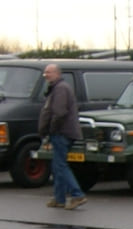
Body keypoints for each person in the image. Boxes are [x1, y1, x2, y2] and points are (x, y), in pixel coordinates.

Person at [37, 64, 86, 210]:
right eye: (45, 72)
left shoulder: (61, 89)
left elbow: (59, 113)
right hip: (60, 132)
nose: (46, 75)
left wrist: (51, 130)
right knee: (57, 165)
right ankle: (59, 198)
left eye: (49, 72)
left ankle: (77, 195)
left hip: (62, 133)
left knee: (60, 165)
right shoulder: (56, 88)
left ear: (58, 74)